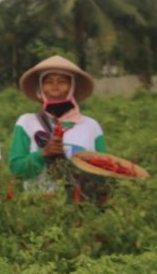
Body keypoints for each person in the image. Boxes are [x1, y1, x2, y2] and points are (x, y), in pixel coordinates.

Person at [9, 55, 108, 201]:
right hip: (38, 207)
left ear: (72, 87)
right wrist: (42, 154)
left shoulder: (91, 126)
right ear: (40, 88)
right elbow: (17, 169)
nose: (55, 86)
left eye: (62, 81)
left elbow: (104, 171)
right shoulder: (26, 122)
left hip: (81, 209)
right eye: (48, 82)